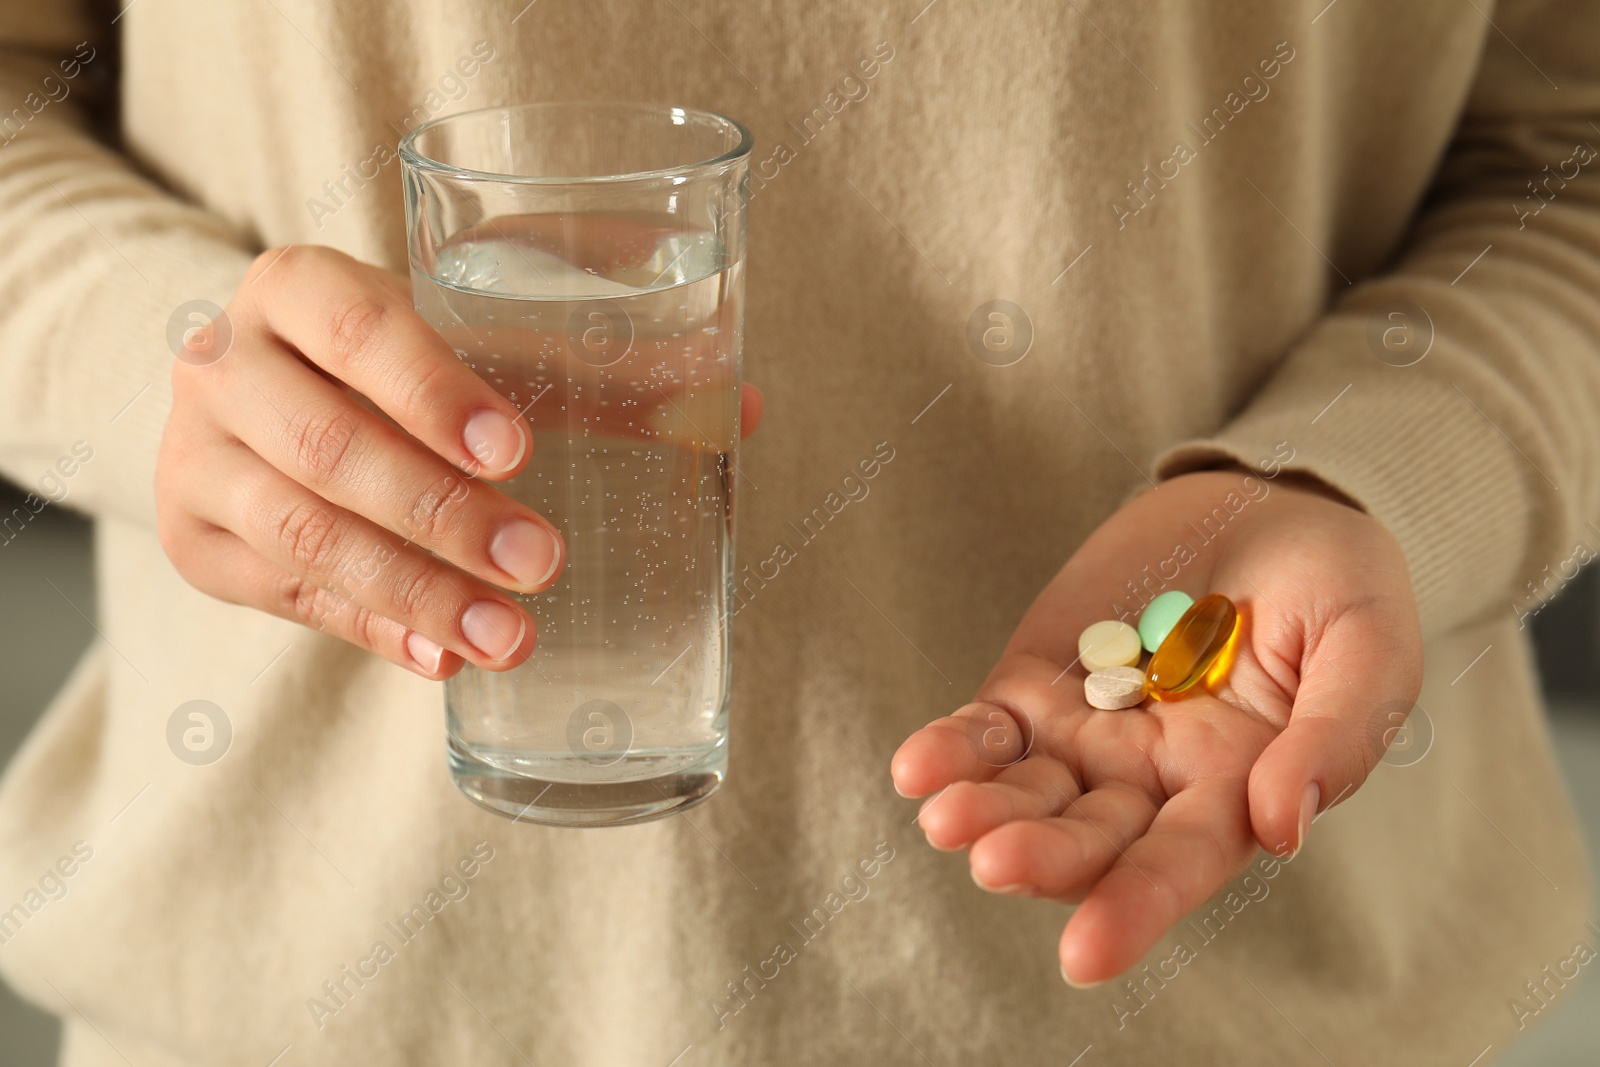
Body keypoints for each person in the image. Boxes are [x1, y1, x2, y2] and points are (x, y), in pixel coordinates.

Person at [0, 1, 1594, 1064]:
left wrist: (1366, 476)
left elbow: (1567, 157)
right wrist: (162, 355)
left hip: (1226, 996)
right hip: (304, 998)